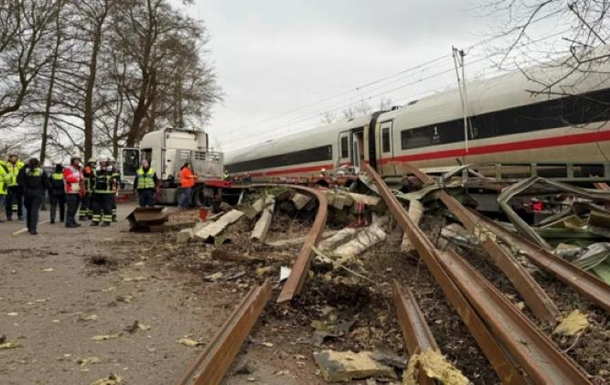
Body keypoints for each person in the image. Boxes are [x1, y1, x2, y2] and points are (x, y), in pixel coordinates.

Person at [18, 158, 50, 235]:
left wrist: (23, 191)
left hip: (27, 193)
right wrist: (45, 189)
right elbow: (47, 183)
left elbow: (19, 181)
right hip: (38, 193)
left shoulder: (25, 170)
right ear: (38, 163)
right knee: (34, 211)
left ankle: (29, 226)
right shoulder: (41, 171)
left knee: (29, 210)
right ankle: (33, 229)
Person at [91, 159, 116, 226]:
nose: (102, 163)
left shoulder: (111, 169)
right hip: (97, 191)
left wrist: (111, 180)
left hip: (108, 192)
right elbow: (92, 178)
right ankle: (96, 220)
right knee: (96, 207)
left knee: (107, 207)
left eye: (104, 161)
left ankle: (107, 221)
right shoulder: (97, 169)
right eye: (101, 162)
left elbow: (116, 177)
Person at [64, 156, 84, 228]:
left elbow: (81, 178)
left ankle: (72, 220)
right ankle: (68, 222)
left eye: (78, 160)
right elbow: (68, 178)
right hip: (71, 190)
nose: (77, 161)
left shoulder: (79, 169)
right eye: (76, 160)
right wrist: (78, 180)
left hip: (77, 189)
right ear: (72, 160)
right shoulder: (68, 169)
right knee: (71, 207)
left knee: (75, 206)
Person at [5, 154, 25, 221]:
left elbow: (23, 173)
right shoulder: (6, 165)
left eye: (15, 158)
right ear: (10, 158)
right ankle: (9, 216)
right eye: (12, 158)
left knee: (20, 201)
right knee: (8, 201)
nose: (13, 159)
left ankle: (20, 215)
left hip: (18, 185)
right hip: (9, 185)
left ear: (17, 158)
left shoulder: (21, 164)